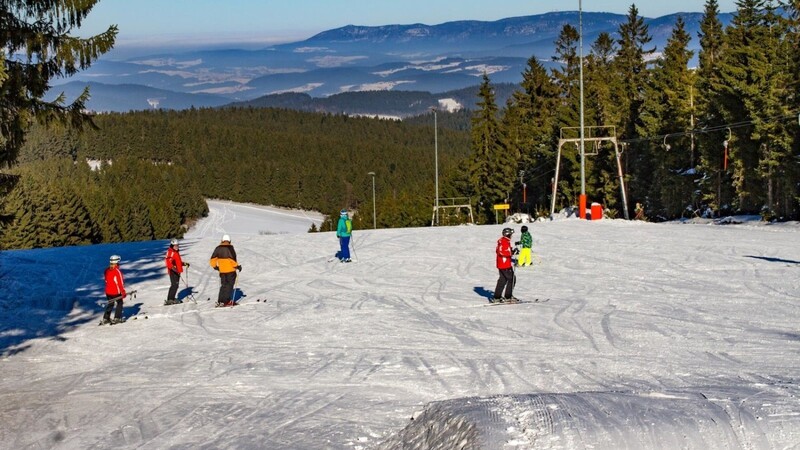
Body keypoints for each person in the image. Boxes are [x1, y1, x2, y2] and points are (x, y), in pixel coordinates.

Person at [209, 234, 241, 306]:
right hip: (230, 271)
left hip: (222, 271)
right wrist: (237, 266)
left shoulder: (218, 248)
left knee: (223, 286)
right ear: (229, 241)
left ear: (222, 240)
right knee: (229, 286)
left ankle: (220, 301)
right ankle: (226, 301)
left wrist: (215, 266)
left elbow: (212, 260)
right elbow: (232, 260)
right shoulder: (230, 248)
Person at [493, 227, 518, 302]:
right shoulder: (504, 241)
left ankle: (497, 297)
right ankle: (508, 296)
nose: (511, 236)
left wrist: (512, 251)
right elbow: (501, 251)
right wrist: (511, 253)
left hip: (502, 264)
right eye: (511, 234)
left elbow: (505, 250)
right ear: (508, 234)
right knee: (512, 278)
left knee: (503, 280)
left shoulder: (504, 241)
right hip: (505, 265)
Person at [102, 254, 127, 324]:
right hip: (116, 292)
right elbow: (120, 283)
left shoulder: (106, 270)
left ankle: (106, 318)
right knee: (120, 303)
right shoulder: (117, 271)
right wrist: (123, 292)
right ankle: (117, 318)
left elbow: (106, 280)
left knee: (110, 304)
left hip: (108, 291)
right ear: (116, 262)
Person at [165, 238, 189, 305]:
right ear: (172, 245)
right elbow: (168, 262)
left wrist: (184, 264)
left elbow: (177, 262)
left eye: (177, 245)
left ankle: (172, 298)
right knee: (174, 285)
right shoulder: (171, 252)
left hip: (177, 271)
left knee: (176, 285)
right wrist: (173, 268)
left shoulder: (176, 252)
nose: (177, 246)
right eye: (175, 245)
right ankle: (169, 299)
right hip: (173, 271)